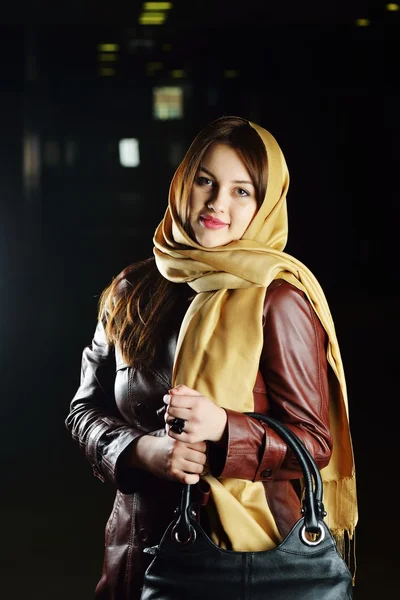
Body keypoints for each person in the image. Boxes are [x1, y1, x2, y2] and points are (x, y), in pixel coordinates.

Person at [65, 116, 358, 599]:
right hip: (137, 549)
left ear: (266, 206)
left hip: (249, 562)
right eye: (207, 180)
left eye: (242, 191)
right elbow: (83, 411)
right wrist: (143, 451)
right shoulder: (131, 291)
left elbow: (314, 444)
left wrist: (224, 426)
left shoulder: (279, 299)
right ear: (184, 182)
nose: (218, 202)